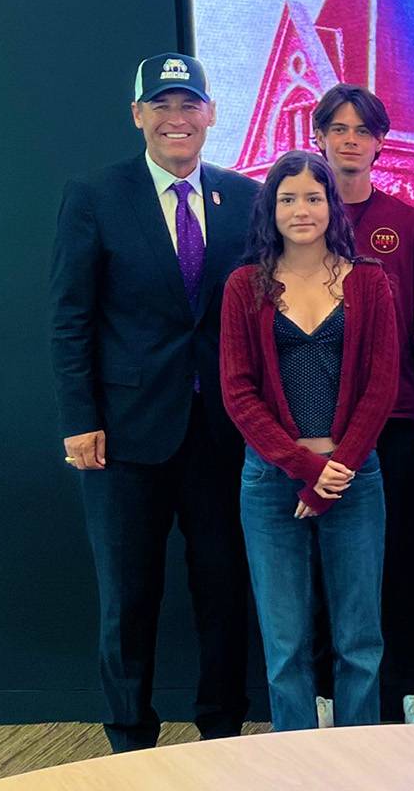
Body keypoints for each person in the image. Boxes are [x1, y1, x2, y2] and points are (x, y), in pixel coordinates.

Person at [49, 53, 255, 752]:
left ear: (210, 114)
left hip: (221, 433)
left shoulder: (246, 199)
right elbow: (70, 317)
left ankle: (222, 728)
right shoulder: (96, 195)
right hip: (124, 438)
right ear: (137, 115)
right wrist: (81, 419)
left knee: (223, 592)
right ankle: (130, 738)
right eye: (161, 105)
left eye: (189, 104)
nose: (177, 117)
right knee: (129, 599)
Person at [218, 150, 398, 731]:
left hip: (354, 477)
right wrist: (303, 469)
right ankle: (293, 764)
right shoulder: (244, 286)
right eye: (288, 198)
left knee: (359, 641)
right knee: (286, 645)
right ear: (269, 207)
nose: (302, 210)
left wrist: (335, 470)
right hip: (272, 483)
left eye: (313, 197)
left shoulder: (369, 282)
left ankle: (360, 763)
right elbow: (238, 393)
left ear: (332, 206)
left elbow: (381, 385)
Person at [311, 84, 414, 725]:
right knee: (319, 558)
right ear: (318, 138)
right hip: (314, 424)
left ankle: (412, 687)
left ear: (379, 143)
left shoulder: (409, 226)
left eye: (361, 130)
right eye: (337, 128)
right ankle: (321, 692)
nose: (349, 139)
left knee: (403, 560)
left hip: (397, 418)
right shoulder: (296, 218)